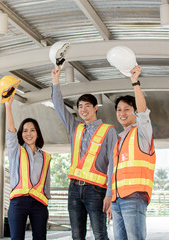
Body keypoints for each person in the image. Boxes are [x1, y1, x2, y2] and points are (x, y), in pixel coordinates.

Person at [51, 66, 118, 240]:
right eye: (80, 106)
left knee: (100, 234)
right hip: (74, 188)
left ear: (96, 107)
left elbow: (113, 163)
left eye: (87, 106)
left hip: (96, 191)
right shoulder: (75, 128)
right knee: (76, 235)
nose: (83, 109)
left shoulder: (108, 131)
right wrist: (56, 82)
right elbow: (58, 106)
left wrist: (110, 193)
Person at [108, 65, 156, 240]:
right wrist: (111, 199)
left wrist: (135, 82)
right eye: (119, 110)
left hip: (134, 197)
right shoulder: (119, 139)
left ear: (135, 111)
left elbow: (143, 114)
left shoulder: (142, 132)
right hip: (117, 200)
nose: (122, 113)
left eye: (127, 109)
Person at [5, 95, 51, 240]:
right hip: (18, 202)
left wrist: (46, 202)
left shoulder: (46, 157)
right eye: (25, 130)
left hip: (39, 204)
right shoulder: (16, 150)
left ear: (37, 133)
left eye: (32, 130)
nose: (28, 134)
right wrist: (8, 107)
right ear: (21, 133)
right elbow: (11, 131)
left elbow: (46, 183)